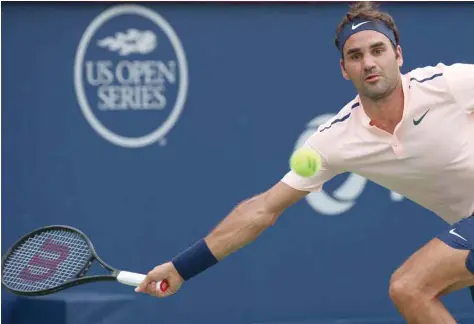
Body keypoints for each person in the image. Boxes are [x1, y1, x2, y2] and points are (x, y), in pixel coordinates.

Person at [136, 2, 474, 322]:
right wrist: (182, 268)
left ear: (398, 55)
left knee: (409, 287)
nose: (369, 62)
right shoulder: (335, 139)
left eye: (378, 50)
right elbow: (261, 211)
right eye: (355, 56)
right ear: (344, 69)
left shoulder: (448, 85)